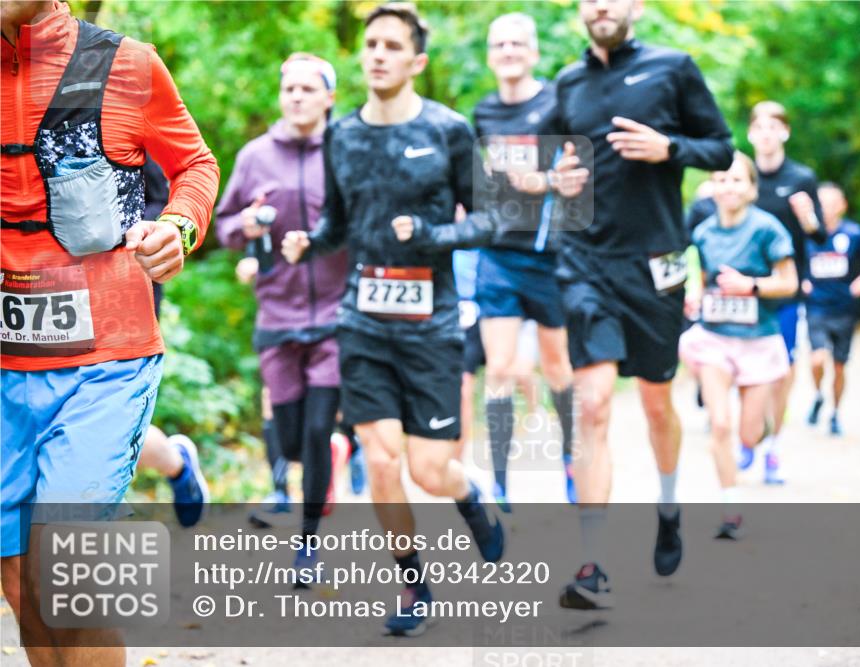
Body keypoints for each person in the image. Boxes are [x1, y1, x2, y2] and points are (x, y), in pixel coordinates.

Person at [279, 3, 576, 637]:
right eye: (371, 44)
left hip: (432, 324)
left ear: (417, 61)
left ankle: (469, 494)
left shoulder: (448, 130)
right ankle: (414, 583)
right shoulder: (343, 134)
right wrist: (310, 240)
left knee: (427, 470)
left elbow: (491, 220)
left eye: (392, 45)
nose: (378, 54)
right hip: (363, 320)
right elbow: (339, 223)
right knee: (383, 464)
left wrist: (434, 233)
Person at [1, 2, 219, 666]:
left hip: (105, 362)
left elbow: (196, 167)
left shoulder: (127, 63)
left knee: (66, 576)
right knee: (22, 587)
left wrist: (177, 229)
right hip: (5, 370)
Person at [553, 0, 733, 610]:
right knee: (594, 406)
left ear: (634, 7)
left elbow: (723, 150)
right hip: (584, 263)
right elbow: (549, 170)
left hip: (656, 261)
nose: (601, 6)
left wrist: (670, 149)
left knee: (658, 404)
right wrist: (556, 182)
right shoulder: (567, 83)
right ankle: (593, 564)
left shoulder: (673, 67)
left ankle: (667, 503)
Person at [215, 52, 348, 576]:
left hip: (336, 314)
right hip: (277, 311)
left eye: (308, 89)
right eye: (288, 88)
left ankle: (309, 545)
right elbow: (223, 226)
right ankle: (325, 460)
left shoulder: (345, 149)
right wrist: (245, 226)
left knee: (316, 432)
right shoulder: (254, 157)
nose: (296, 97)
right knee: (291, 439)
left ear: (329, 98)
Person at [473, 12, 576, 510]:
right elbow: (479, 180)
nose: (509, 51)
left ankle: (573, 463)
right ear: (491, 55)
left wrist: (547, 182)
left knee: (558, 369)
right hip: (498, 255)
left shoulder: (557, 104)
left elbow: (584, 173)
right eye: (500, 43)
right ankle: (499, 481)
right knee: (499, 368)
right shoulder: (484, 113)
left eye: (518, 43)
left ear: (533, 53)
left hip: (549, 255)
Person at [679, 153, 797, 539]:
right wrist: (693, 297)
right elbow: (699, 277)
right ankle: (731, 511)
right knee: (721, 424)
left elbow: (789, 283)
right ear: (712, 187)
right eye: (721, 180)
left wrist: (752, 285)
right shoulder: (703, 232)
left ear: (750, 188)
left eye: (736, 180)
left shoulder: (768, 229)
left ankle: (757, 436)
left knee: (747, 433)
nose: (728, 188)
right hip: (713, 338)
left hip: (758, 340)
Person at [740, 100, 825, 484]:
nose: (767, 133)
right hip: (745, 290)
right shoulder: (742, 176)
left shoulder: (802, 177)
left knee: (781, 372)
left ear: (785, 132)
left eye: (774, 126)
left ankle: (773, 445)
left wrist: (807, 216)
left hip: (787, 290)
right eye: (760, 127)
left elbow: (820, 234)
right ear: (751, 134)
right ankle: (748, 433)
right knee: (744, 367)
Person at [136, 159, 209, 529]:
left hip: (124, 289)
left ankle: (176, 463)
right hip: (22, 299)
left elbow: (162, 201)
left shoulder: (118, 105)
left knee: (113, 427)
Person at [803, 182, 860, 436]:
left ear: (842, 206)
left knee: (838, 366)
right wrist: (801, 279)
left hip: (845, 310)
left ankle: (835, 413)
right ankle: (816, 396)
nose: (826, 209)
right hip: (816, 308)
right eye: (821, 204)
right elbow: (795, 262)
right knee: (817, 359)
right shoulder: (807, 235)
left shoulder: (854, 234)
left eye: (831, 203)